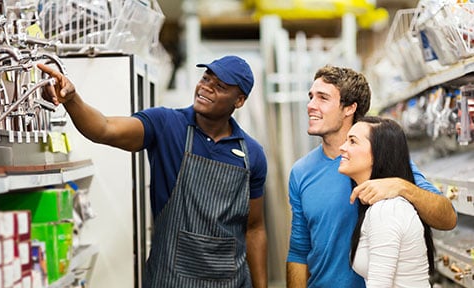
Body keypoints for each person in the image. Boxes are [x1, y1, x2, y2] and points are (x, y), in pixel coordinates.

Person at [37, 55, 268, 288]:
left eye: (219, 86)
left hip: (230, 283)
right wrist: (72, 99)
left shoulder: (251, 154)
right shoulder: (167, 124)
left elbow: (254, 228)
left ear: (238, 100)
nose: (206, 88)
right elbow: (105, 129)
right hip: (169, 280)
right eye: (206, 79)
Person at [286, 65, 456, 288]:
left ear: (349, 108)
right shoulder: (301, 172)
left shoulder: (383, 163)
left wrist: (402, 187)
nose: (310, 106)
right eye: (311, 97)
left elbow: (447, 218)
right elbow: (299, 250)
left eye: (322, 98)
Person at [339, 116, 435, 287]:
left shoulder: (386, 210)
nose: (342, 148)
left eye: (352, 142)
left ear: (378, 154)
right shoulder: (382, 206)